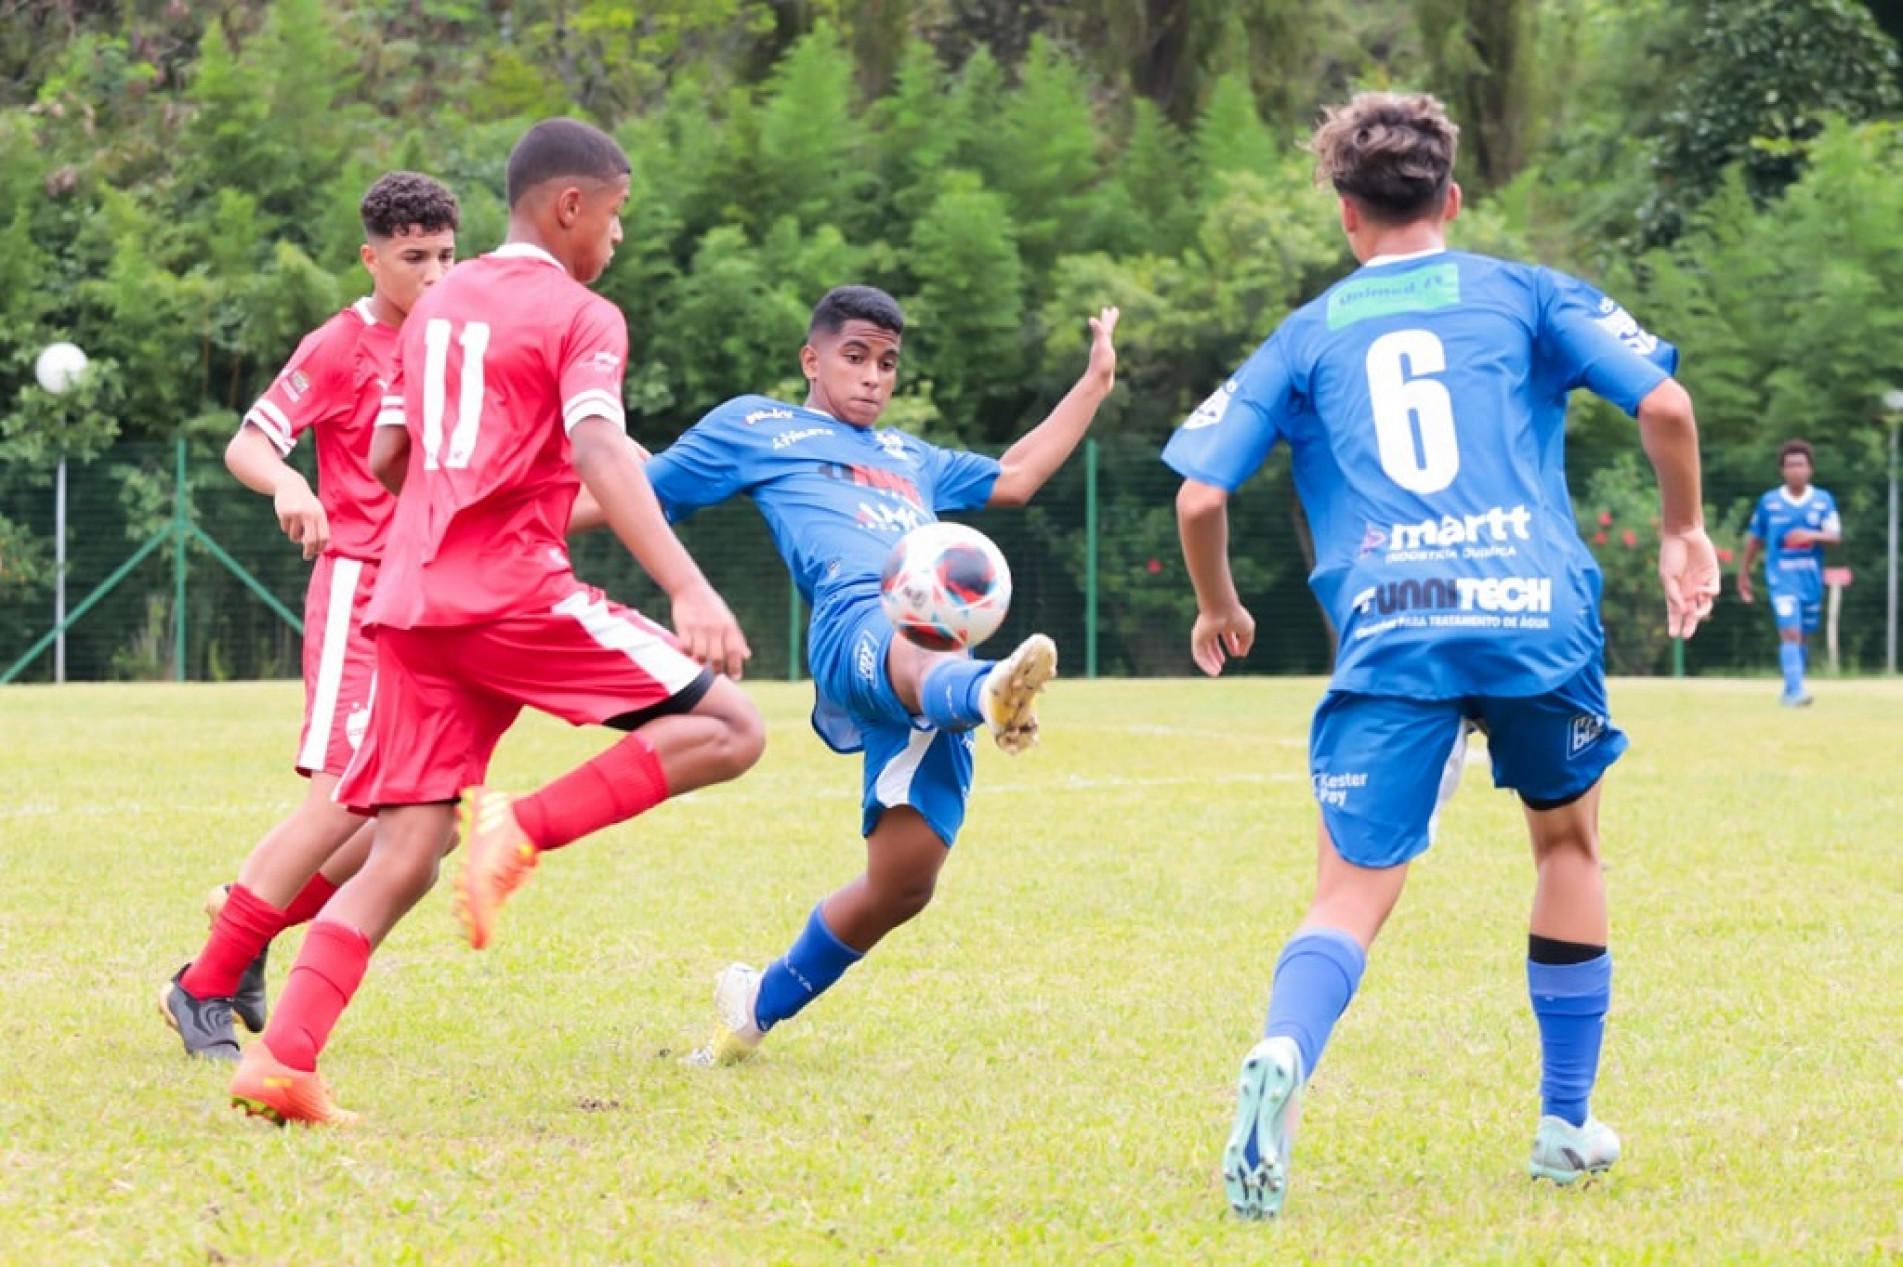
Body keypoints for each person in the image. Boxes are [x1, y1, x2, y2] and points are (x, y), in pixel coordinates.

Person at [1164, 92, 1720, 1219]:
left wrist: (1218, 606)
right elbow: (1664, 405)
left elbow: (1200, 492)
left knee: (1348, 890)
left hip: (1391, 623)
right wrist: (1681, 529)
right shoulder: (1522, 292)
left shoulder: (1308, 331)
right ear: (1451, 199)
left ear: (1342, 214)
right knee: (1565, 844)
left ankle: (1282, 1048)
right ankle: (1564, 1124)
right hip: (1532, 614)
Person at [226, 118, 766, 1126]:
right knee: (732, 729)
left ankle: (285, 1059)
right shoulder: (583, 313)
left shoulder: (434, 305)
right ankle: (525, 827)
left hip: (410, 600)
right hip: (510, 590)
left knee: (409, 849)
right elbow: (602, 447)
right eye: (615, 217)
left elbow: (390, 459)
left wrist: (462, 479)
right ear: (571, 207)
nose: (616, 240)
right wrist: (688, 586)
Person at [642, 284, 1117, 1065]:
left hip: (934, 655)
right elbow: (634, 492)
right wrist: (498, 523)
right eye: (854, 356)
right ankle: (989, 690)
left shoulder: (911, 457)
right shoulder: (758, 425)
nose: (872, 376)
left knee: (903, 884)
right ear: (812, 358)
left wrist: (1093, 382)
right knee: (917, 637)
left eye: (887, 362)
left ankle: (751, 1008)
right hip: (853, 622)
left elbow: (1019, 474)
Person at [160, 172, 460, 1061]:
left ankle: (242, 931)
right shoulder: (340, 343)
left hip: (434, 606)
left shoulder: (456, 344)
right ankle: (202, 983)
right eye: (414, 259)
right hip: (362, 596)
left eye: (447, 255)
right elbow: (249, 441)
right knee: (338, 802)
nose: (435, 275)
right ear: (373, 259)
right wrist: (290, 480)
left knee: (422, 838)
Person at [1738, 439, 1841, 706]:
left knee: (1804, 635)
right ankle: (1796, 693)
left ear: (1810, 469)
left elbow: (1835, 535)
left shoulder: (1822, 501)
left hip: (1810, 579)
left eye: (1801, 464)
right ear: (1782, 470)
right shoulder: (1769, 502)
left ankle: (1791, 688)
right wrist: (1744, 573)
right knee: (1791, 633)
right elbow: (1754, 539)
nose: (1796, 470)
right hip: (1781, 578)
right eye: (1790, 465)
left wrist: (1810, 534)